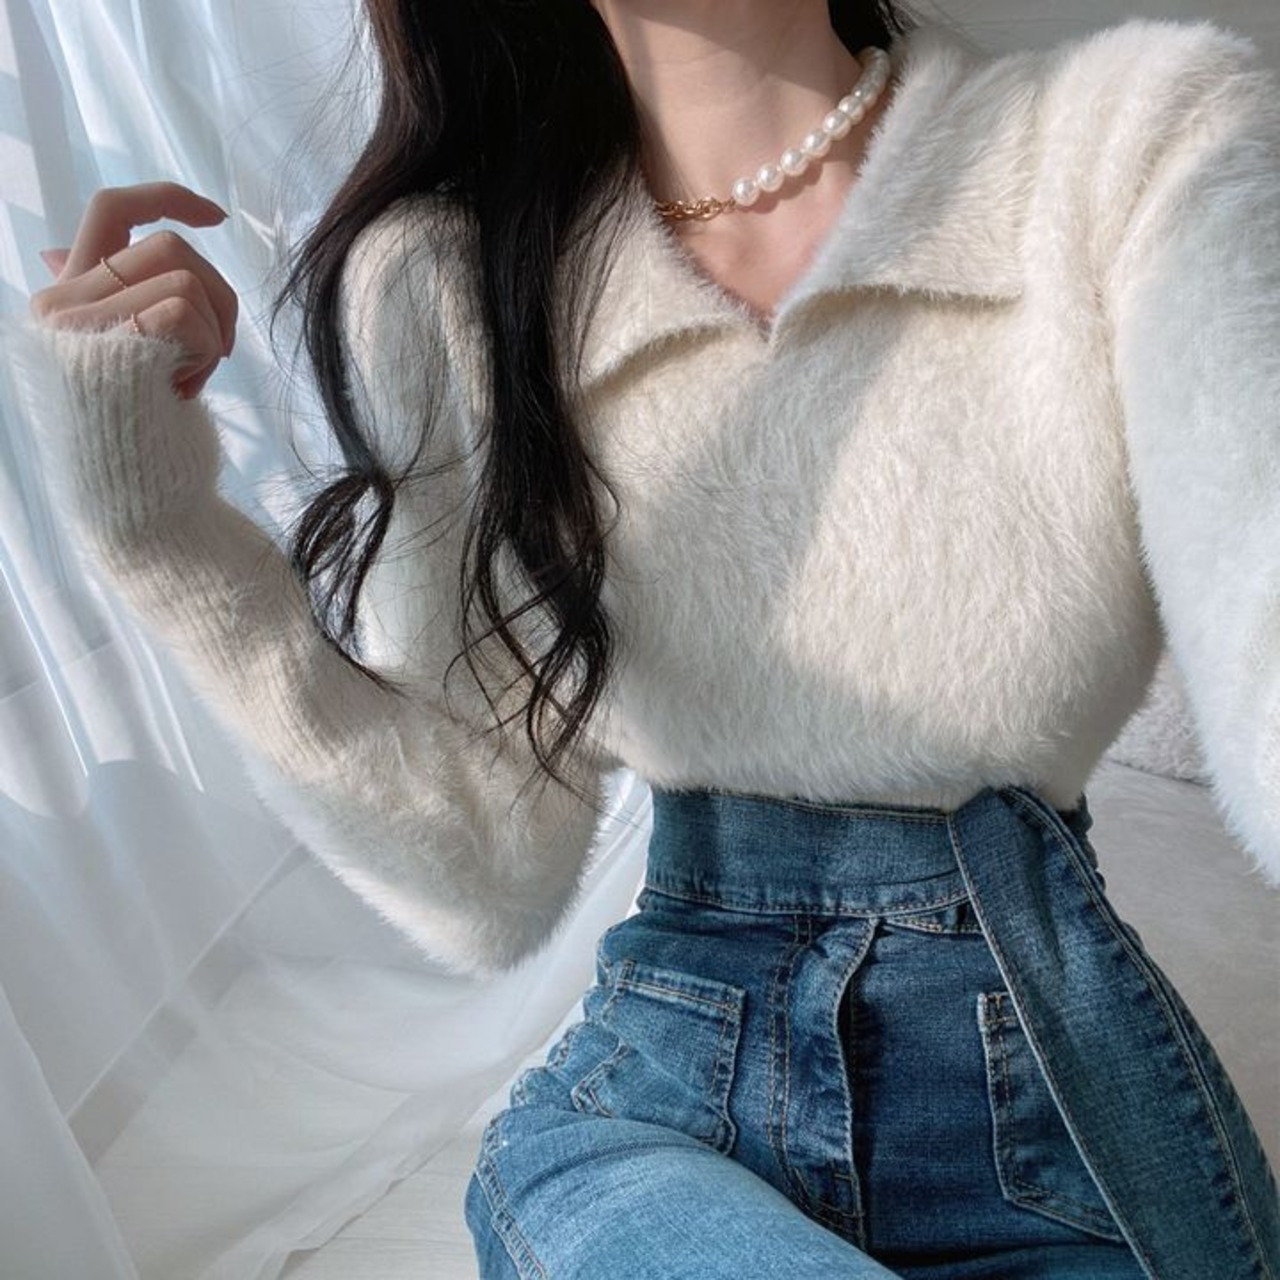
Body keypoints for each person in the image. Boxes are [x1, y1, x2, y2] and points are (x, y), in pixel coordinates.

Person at [13, 1, 1280, 1276]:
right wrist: (152, 525)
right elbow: (482, 867)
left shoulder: (1131, 140)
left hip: (1056, 1107)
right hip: (651, 1103)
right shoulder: (448, 277)